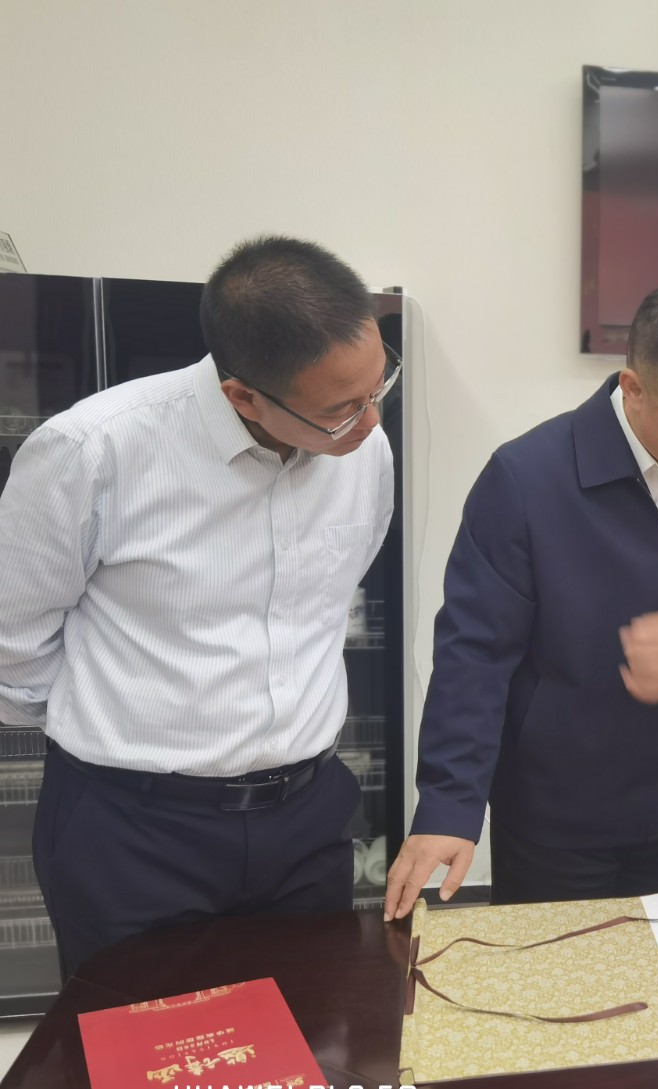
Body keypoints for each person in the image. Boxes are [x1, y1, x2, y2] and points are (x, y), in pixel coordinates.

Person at [0, 236, 396, 976]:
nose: (371, 422)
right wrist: (125, 717)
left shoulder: (360, 450)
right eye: (342, 409)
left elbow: (340, 583)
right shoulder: (92, 451)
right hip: (136, 831)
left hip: (305, 819)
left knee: (311, 1024)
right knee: (144, 1033)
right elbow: (13, 645)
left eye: (379, 388)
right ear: (242, 396)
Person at [385, 281, 658, 919]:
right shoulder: (526, 479)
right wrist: (449, 805)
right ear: (634, 389)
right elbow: (476, 653)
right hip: (554, 807)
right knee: (556, 972)